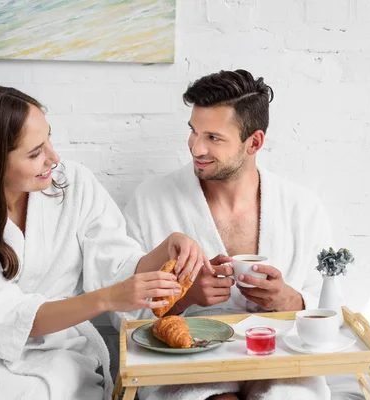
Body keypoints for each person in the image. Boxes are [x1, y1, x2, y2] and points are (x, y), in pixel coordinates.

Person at [0, 84, 212, 400]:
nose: (53, 157)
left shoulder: (74, 185)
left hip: (60, 346)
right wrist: (106, 299)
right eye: (35, 152)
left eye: (48, 140)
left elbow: (118, 265)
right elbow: (4, 317)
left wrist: (169, 246)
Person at [123, 70, 332, 399]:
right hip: (188, 361)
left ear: (255, 142)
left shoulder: (302, 208)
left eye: (213, 138)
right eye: (193, 132)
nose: (196, 147)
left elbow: (331, 301)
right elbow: (123, 310)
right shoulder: (152, 201)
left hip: (279, 356)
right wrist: (186, 297)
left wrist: (288, 300)